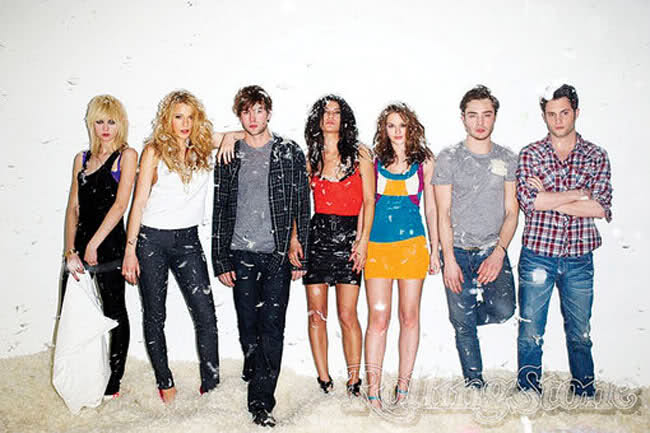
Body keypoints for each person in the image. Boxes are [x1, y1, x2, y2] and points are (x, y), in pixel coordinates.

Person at [122, 90, 237, 403]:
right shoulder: (153, 151)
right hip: (151, 241)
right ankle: (165, 382)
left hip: (188, 240)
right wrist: (130, 251)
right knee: (155, 315)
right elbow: (138, 203)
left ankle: (211, 386)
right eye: (178, 117)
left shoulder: (202, 145)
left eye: (190, 116)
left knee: (206, 315)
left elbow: (246, 134)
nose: (185, 123)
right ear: (167, 120)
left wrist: (228, 137)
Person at [212, 85, 310, 427]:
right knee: (247, 325)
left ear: (269, 112)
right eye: (246, 111)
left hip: (277, 254)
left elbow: (301, 203)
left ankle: (261, 402)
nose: (252, 118)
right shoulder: (230, 152)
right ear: (239, 116)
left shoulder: (289, 151)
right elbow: (220, 207)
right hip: (240, 252)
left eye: (258, 110)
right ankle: (253, 367)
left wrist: (300, 249)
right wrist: (221, 259)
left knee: (272, 328)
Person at [516, 84, 612, 396]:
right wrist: (579, 194)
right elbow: (529, 202)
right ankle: (528, 391)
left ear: (576, 113)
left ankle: (584, 391)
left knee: (580, 332)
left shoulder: (596, 155)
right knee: (530, 331)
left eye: (564, 113)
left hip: (579, 257)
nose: (558, 120)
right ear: (544, 116)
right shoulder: (531, 154)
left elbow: (600, 208)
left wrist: (549, 198)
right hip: (537, 254)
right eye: (551, 114)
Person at [433, 85, 518, 389]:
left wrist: (498, 252)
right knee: (463, 327)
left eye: (487, 115)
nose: (480, 122)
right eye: (473, 115)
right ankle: (474, 383)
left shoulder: (508, 158)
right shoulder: (448, 158)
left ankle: (465, 317)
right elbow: (443, 212)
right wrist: (449, 259)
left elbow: (512, 211)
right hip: (456, 250)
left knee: (505, 310)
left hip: (491, 249)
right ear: (463, 118)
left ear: (495, 117)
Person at [289, 95, 374, 396]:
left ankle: (354, 379)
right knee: (316, 313)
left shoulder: (361, 153)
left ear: (344, 118)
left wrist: (362, 242)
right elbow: (300, 204)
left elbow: (368, 201)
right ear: (317, 118)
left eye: (336, 112)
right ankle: (324, 379)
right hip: (318, 237)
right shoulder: (310, 156)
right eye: (325, 112)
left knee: (347, 314)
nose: (330, 117)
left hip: (350, 237)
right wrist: (295, 239)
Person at [364, 103, 439, 406]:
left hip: (412, 248)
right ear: (384, 129)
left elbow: (431, 209)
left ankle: (403, 388)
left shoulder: (425, 162)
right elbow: (366, 204)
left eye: (402, 125)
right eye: (391, 125)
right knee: (378, 319)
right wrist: (360, 244)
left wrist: (435, 250)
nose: (397, 131)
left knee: (409, 317)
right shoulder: (372, 161)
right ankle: (373, 389)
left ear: (412, 128)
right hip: (377, 249)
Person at [62, 94, 137, 399]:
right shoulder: (81, 159)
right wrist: (70, 250)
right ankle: (79, 375)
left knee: (114, 313)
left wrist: (94, 244)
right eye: (99, 122)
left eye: (111, 122)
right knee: (74, 315)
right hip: (79, 251)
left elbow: (121, 205)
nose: (105, 128)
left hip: (109, 249)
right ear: (91, 124)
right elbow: (73, 208)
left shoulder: (126, 156)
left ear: (121, 124)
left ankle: (114, 380)